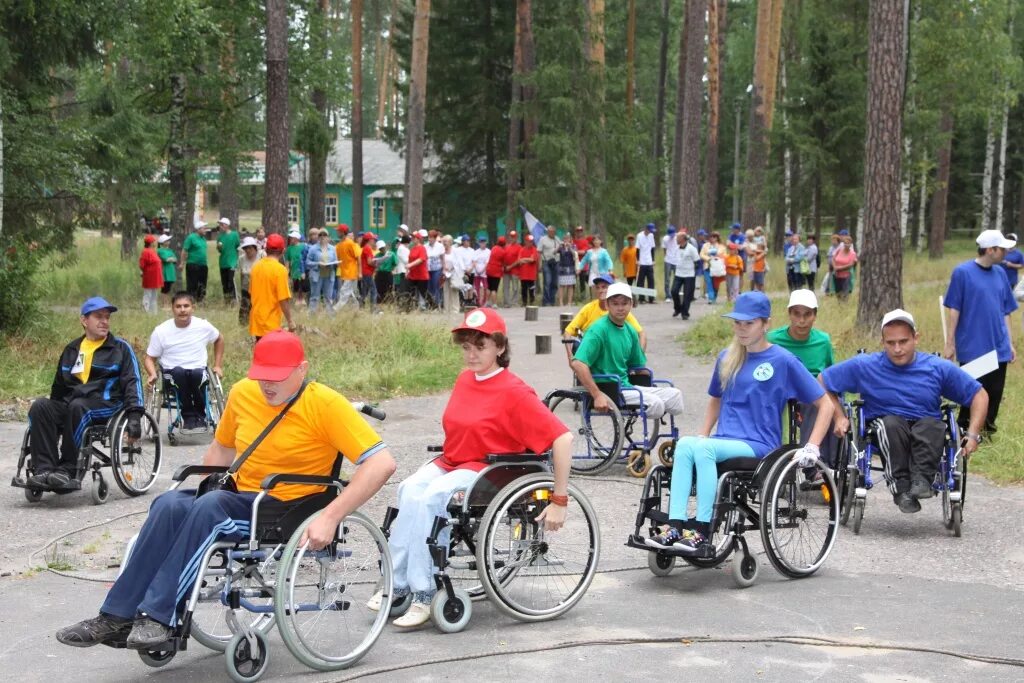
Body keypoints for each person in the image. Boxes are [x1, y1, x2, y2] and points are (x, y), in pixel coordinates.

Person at [55, 331, 397, 649]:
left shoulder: (325, 404)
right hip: (240, 496)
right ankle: (115, 616)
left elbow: (381, 464)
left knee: (209, 509)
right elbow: (221, 450)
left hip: (288, 505)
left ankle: (160, 618)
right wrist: (201, 487)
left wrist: (331, 516)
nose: (266, 384)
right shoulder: (243, 392)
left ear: (301, 369)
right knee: (169, 505)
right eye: (262, 373)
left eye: (277, 376)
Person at [366, 308, 571, 628]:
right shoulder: (465, 379)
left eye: (481, 346)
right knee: (409, 489)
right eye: (466, 346)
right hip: (454, 461)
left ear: (500, 348)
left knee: (434, 496)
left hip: (489, 469)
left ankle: (424, 592)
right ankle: (397, 583)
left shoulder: (516, 392)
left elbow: (562, 438)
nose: (472, 354)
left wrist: (559, 500)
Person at [647, 292, 832, 553]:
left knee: (703, 448)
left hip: (759, 444)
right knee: (687, 444)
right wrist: (703, 433)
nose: (741, 329)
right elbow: (715, 399)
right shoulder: (728, 357)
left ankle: (702, 531)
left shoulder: (783, 360)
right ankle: (675, 527)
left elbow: (826, 405)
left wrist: (812, 446)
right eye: (737, 323)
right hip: (725, 440)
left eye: (749, 323)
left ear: (765, 324)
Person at [821, 309, 988, 513]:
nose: (897, 349)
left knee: (933, 425)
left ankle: (922, 481)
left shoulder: (936, 367)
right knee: (891, 424)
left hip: (926, 425)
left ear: (916, 338)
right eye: (891, 343)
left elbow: (979, 395)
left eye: (903, 341)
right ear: (883, 342)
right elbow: (822, 382)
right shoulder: (865, 365)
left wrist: (972, 434)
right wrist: (839, 416)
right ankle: (901, 489)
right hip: (885, 426)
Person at [26, 297, 143, 491]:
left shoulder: (121, 348)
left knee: (78, 407)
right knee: (41, 406)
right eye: (99, 316)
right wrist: (52, 416)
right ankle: (44, 470)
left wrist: (135, 416)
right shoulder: (72, 349)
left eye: (107, 317)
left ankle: (67, 470)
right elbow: (59, 387)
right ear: (84, 320)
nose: (105, 321)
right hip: (74, 403)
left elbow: (133, 381)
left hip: (107, 404)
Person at [943, 229, 1018, 436]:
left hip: (999, 347)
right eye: (1002, 249)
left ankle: (986, 432)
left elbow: (1005, 311)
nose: (1006, 253)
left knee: (994, 392)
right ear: (990, 250)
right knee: (972, 392)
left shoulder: (1001, 273)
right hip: (974, 347)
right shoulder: (963, 273)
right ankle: (965, 430)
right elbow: (954, 309)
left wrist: (1010, 343)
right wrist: (950, 343)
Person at [571, 282, 678, 419]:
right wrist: (597, 395)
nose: (620, 308)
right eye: (615, 304)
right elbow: (577, 364)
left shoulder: (630, 331)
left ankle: (663, 427)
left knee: (675, 395)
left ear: (631, 304)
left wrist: (651, 383)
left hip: (626, 386)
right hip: (608, 388)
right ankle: (643, 415)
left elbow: (638, 366)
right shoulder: (598, 330)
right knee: (656, 404)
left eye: (624, 303)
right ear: (607, 305)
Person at [766, 289, 837, 488]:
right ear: (789, 314)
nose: (801, 320)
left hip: (811, 391)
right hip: (782, 388)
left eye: (807, 314)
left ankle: (816, 466)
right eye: (796, 314)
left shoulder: (823, 340)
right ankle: (769, 462)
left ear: (815, 315)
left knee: (822, 402)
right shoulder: (773, 338)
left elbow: (830, 372)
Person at [144, 292, 225, 431]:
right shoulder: (161, 331)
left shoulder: (203, 326)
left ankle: (199, 414)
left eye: (186, 306)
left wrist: (217, 365)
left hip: (198, 369)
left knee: (197, 375)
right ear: (172, 309)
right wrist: (152, 374)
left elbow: (219, 339)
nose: (182, 310)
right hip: (172, 371)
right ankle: (188, 415)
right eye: (178, 306)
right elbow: (149, 358)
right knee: (179, 373)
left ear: (193, 308)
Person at [563, 275, 647, 356]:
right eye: (598, 287)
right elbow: (568, 331)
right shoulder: (588, 309)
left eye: (604, 287)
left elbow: (641, 334)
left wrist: (639, 357)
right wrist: (571, 358)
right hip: (590, 353)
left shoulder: (620, 312)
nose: (601, 290)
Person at [249, 233, 295, 340]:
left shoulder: (255, 267)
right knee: (271, 354)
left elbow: (251, 292)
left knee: (260, 350)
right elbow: (283, 300)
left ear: (265, 249)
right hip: (270, 322)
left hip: (257, 320)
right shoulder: (280, 270)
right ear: (283, 251)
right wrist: (290, 321)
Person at [305, 229, 337, 315]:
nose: (322, 237)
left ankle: (330, 316)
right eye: (320, 235)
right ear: (318, 237)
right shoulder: (313, 248)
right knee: (315, 297)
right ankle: (311, 316)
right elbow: (307, 262)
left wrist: (334, 264)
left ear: (328, 237)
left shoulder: (333, 248)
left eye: (324, 235)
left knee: (328, 297)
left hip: (329, 276)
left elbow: (335, 261)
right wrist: (318, 264)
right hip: (316, 276)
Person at [671, 230, 700, 320]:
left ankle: (685, 312)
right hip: (678, 273)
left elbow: (697, 261)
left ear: (683, 239)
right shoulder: (676, 248)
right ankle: (678, 308)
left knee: (687, 295)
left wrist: (694, 272)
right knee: (674, 291)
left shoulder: (691, 248)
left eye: (678, 238)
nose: (676, 239)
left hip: (689, 275)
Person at [237, 235, 263, 327]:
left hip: (259, 288)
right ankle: (243, 325)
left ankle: (258, 325)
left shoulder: (262, 256)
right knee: (244, 307)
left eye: (249, 248)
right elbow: (241, 274)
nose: (247, 250)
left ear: (254, 247)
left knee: (258, 308)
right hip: (246, 287)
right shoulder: (241, 259)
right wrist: (241, 288)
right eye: (245, 248)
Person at [181, 221, 209, 303]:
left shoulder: (203, 239)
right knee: (192, 284)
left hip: (203, 265)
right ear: (198, 229)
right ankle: (190, 301)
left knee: (202, 284)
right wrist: (182, 263)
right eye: (204, 228)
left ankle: (200, 301)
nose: (205, 230)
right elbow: (184, 250)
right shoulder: (191, 238)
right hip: (192, 264)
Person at [215, 218, 240, 304]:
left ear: (227, 225)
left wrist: (236, 261)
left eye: (222, 224)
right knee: (224, 283)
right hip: (223, 263)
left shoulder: (234, 235)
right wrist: (219, 247)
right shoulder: (220, 237)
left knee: (231, 282)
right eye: (220, 225)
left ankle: (233, 301)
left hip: (232, 263)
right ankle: (227, 301)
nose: (221, 226)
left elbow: (238, 247)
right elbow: (220, 250)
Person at [336, 226, 361, 308]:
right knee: (351, 293)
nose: (337, 233)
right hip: (344, 273)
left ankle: (334, 311)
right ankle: (356, 311)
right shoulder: (339, 245)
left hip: (351, 272)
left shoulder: (350, 243)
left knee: (344, 292)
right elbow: (339, 260)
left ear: (343, 232)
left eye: (338, 231)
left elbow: (358, 257)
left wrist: (360, 272)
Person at [406, 229, 431, 310]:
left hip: (421, 275)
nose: (412, 239)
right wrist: (407, 271)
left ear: (418, 239)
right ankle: (409, 308)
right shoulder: (412, 249)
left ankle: (432, 306)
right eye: (412, 237)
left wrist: (410, 265)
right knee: (409, 291)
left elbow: (421, 259)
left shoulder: (422, 248)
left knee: (423, 293)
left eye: (414, 238)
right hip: (413, 275)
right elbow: (409, 260)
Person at [139, 234, 163, 314]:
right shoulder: (145, 251)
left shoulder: (152, 251)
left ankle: (153, 313)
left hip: (155, 277)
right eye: (153, 241)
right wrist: (143, 271)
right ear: (150, 242)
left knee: (154, 296)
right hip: (149, 277)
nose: (155, 243)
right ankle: (145, 311)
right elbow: (142, 265)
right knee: (148, 295)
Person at [700, 231, 726, 304]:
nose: (712, 238)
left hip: (717, 268)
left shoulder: (721, 246)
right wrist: (708, 259)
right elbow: (701, 254)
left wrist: (715, 255)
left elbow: (723, 255)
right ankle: (711, 298)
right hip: (707, 266)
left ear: (717, 238)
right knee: (709, 282)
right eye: (711, 237)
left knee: (715, 283)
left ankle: (714, 296)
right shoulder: (705, 245)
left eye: (714, 237)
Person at [557, 232, 580, 307]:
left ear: (570, 239)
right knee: (561, 285)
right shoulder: (561, 247)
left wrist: (570, 248)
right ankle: (561, 302)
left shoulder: (574, 246)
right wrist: (559, 246)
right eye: (565, 238)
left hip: (570, 267)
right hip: (562, 268)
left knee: (570, 285)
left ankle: (569, 302)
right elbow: (554, 252)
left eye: (568, 238)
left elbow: (575, 254)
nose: (566, 240)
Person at [539, 224, 560, 306]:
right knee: (547, 282)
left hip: (556, 262)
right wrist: (539, 264)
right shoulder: (542, 239)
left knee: (555, 282)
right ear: (547, 231)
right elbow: (539, 252)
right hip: (546, 262)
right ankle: (546, 301)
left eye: (553, 231)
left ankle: (552, 300)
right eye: (550, 231)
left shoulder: (557, 239)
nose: (552, 233)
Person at [831, 235, 857, 301]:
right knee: (837, 292)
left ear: (851, 244)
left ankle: (844, 306)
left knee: (845, 293)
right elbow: (833, 258)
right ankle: (839, 306)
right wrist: (834, 267)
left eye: (848, 243)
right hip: (836, 275)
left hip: (846, 276)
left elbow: (851, 264)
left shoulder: (852, 253)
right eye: (845, 243)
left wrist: (839, 268)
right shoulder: (839, 250)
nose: (846, 244)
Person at [635, 223, 656, 304]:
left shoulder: (651, 236)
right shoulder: (639, 236)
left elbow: (652, 248)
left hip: (649, 261)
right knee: (641, 281)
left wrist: (653, 260)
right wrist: (638, 260)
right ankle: (641, 298)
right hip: (642, 261)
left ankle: (651, 298)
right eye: (649, 230)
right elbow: (637, 249)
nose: (650, 232)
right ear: (646, 229)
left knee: (651, 280)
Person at [359, 232, 379, 313]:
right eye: (373, 239)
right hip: (367, 272)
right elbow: (369, 262)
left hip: (366, 272)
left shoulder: (366, 248)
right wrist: (376, 263)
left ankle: (361, 307)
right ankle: (373, 309)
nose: (374, 240)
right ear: (369, 240)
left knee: (365, 291)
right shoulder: (367, 248)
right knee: (373, 291)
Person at [425, 230, 446, 308]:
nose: (429, 239)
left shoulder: (440, 246)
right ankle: (430, 304)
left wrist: (444, 269)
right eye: (428, 237)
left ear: (435, 238)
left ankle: (437, 304)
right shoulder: (425, 246)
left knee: (436, 285)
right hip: (428, 269)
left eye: (431, 237)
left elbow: (443, 258)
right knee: (429, 286)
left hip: (437, 269)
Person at [518, 234, 540, 306]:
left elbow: (533, 259)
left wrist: (524, 259)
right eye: (529, 241)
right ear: (525, 241)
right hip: (523, 274)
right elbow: (519, 261)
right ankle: (524, 302)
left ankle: (531, 301)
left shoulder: (534, 249)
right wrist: (528, 259)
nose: (530, 243)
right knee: (523, 289)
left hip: (531, 274)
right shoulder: (522, 249)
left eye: (531, 241)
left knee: (531, 289)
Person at [284, 229, 305, 301]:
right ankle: (296, 301)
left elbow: (305, 259)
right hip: (294, 271)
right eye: (290, 238)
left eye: (292, 238)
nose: (290, 239)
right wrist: (286, 272)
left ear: (296, 239)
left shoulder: (303, 246)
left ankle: (303, 301)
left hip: (303, 271)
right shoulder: (289, 249)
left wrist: (304, 271)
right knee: (295, 287)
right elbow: (287, 261)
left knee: (303, 287)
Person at [501, 230, 521, 308]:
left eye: (514, 237)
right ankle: (507, 302)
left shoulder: (519, 247)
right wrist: (504, 266)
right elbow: (503, 257)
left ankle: (514, 302)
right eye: (511, 237)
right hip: (506, 270)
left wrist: (511, 266)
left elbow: (519, 260)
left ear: (516, 237)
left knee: (515, 287)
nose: (512, 238)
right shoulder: (506, 246)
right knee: (505, 286)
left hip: (514, 270)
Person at [485, 235, 506, 308]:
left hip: (489, 269)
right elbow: (504, 262)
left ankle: (487, 302)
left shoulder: (493, 248)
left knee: (489, 287)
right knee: (494, 289)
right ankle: (494, 304)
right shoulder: (503, 252)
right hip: (496, 271)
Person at [156, 234, 177, 304]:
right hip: (165, 271)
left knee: (168, 288)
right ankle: (164, 303)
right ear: (163, 242)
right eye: (167, 240)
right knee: (164, 289)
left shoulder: (170, 250)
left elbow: (175, 259)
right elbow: (166, 259)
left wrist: (171, 259)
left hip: (170, 271)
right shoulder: (160, 250)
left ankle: (166, 303)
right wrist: (171, 258)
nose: (169, 241)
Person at [472, 236, 491, 307]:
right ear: (479, 243)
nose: (482, 244)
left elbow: (487, 262)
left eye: (484, 242)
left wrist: (482, 270)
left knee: (485, 287)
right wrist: (477, 270)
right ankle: (477, 301)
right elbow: (474, 261)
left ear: (486, 243)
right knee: (477, 287)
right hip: (477, 272)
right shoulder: (476, 252)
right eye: (481, 242)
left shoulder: (488, 251)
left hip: (484, 272)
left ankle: (484, 301)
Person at [573, 226, 591, 296]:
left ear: (582, 232)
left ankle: (583, 296)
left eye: (580, 231)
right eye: (578, 231)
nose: (579, 232)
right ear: (576, 232)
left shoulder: (585, 241)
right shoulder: (573, 241)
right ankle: (574, 297)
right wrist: (576, 252)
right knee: (572, 283)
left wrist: (575, 251)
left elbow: (584, 252)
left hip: (583, 265)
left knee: (583, 282)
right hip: (574, 264)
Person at [662, 226, 679, 302]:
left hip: (677, 260)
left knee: (677, 278)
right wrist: (667, 257)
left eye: (673, 234)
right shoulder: (665, 239)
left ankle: (675, 294)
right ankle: (667, 295)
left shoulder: (678, 237)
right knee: (667, 279)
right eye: (670, 235)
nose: (671, 236)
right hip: (668, 260)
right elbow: (664, 249)